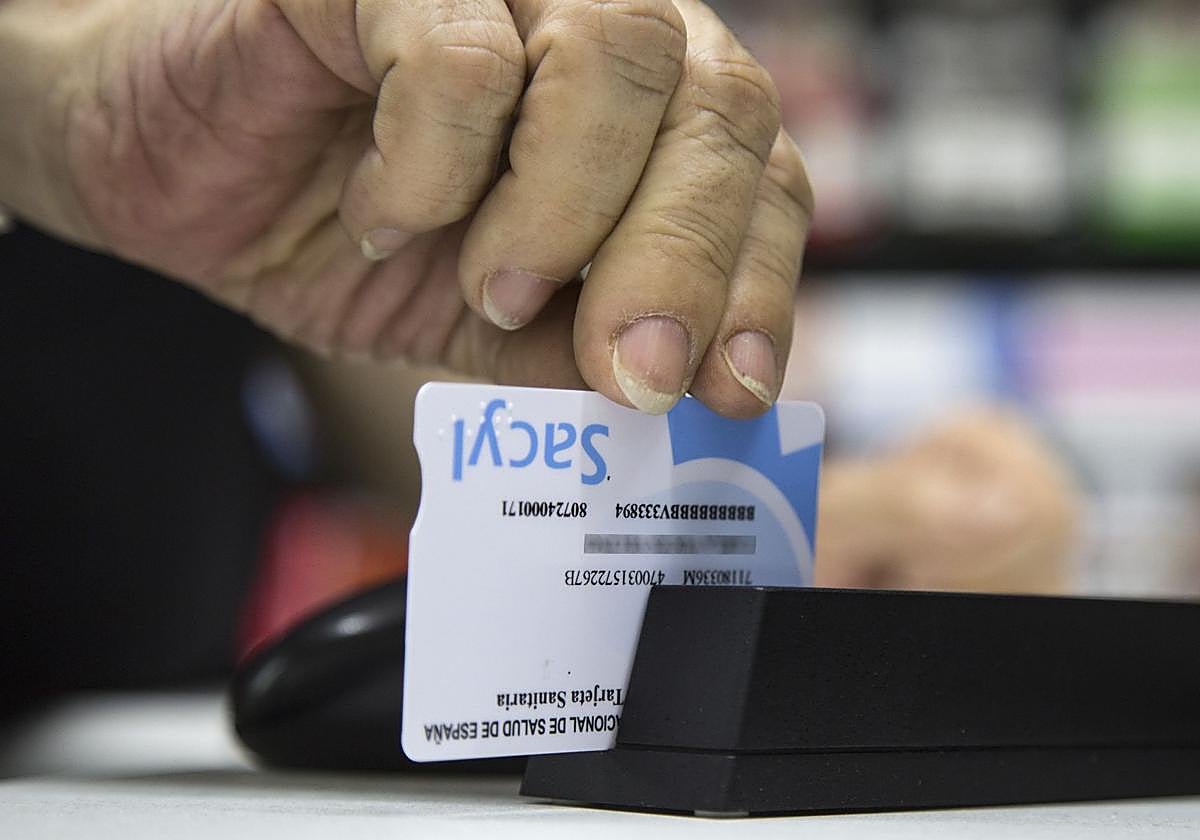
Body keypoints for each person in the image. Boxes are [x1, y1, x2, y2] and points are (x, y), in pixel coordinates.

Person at [0, 0, 1077, 707]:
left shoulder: (232, 122)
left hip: (130, 727)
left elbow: (394, 344)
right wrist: (42, 105)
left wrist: (744, 523)